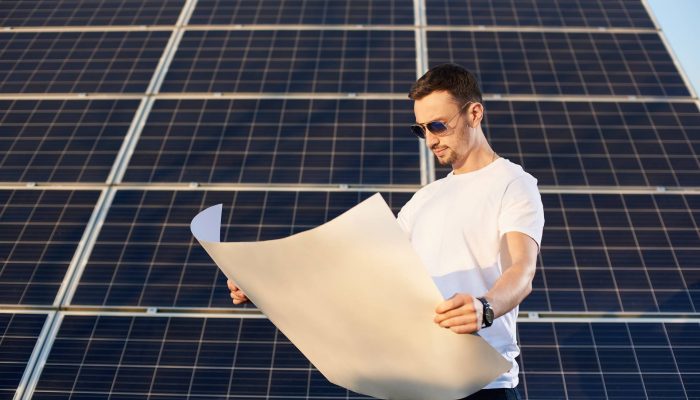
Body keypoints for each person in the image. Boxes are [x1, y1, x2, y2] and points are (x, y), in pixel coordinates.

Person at [228, 63, 544, 400]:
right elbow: (367, 274)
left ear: (475, 113)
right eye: (421, 129)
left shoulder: (513, 183)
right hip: (419, 380)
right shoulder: (423, 201)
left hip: (483, 385)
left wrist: (485, 308)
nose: (431, 140)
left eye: (438, 125)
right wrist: (266, 285)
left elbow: (520, 272)